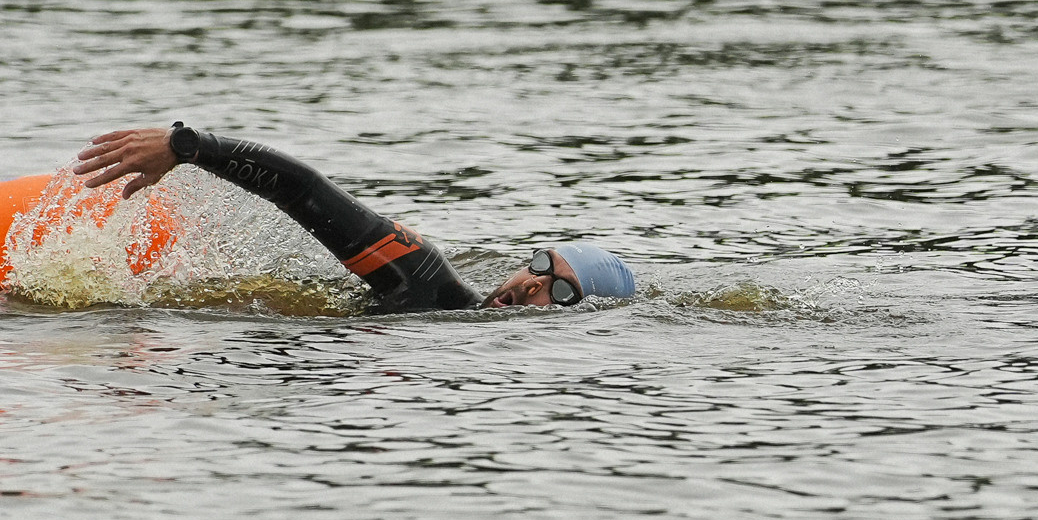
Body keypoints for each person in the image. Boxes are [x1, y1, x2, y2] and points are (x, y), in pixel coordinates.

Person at [70, 123, 635, 313]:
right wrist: (188, 146)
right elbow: (308, 192)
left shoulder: (438, 307)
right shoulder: (430, 285)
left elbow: (304, 192)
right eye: (542, 264)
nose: (535, 281)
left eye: (560, 292)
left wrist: (192, 147)